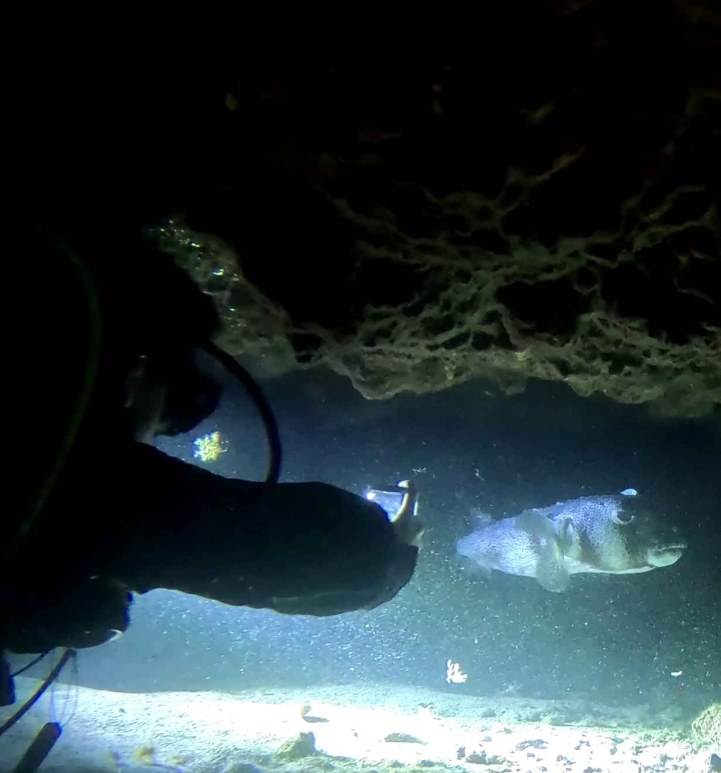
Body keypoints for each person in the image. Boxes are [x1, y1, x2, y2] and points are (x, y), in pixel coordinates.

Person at [0, 223, 421, 657]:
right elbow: (280, 549)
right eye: (165, 416)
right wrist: (388, 548)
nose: (155, 437)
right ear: (137, 373)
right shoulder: (85, 478)